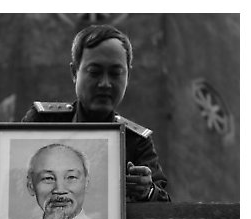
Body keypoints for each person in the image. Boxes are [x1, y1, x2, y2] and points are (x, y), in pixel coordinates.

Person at [22, 24, 170, 202]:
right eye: (94, 72)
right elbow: (8, 188)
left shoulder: (135, 141)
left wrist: (147, 190)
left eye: (115, 73)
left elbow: (165, 205)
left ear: (128, 76)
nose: (105, 84)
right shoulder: (41, 122)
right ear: (74, 72)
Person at [9, 143, 108, 219]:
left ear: (87, 183)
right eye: (48, 178)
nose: (59, 190)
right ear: (31, 186)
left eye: (71, 177)